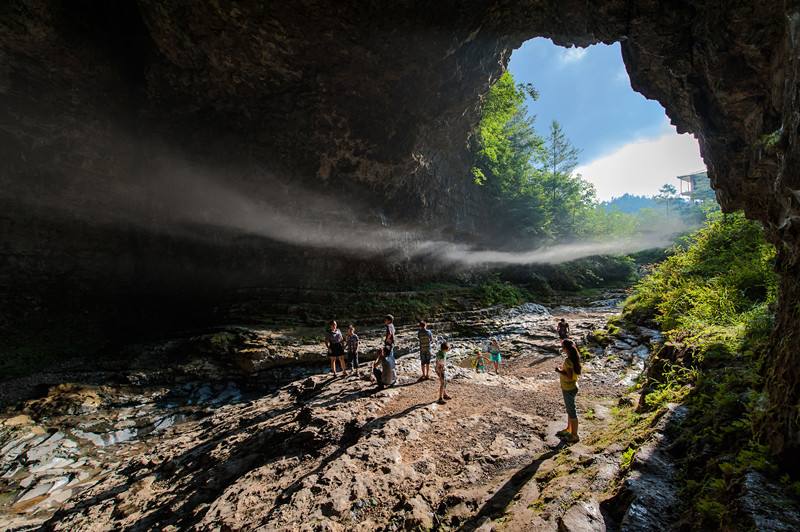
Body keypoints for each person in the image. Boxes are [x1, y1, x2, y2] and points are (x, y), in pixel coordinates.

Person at [555, 338, 582, 443]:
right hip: (572, 386)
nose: (562, 349)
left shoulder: (568, 360)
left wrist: (559, 371)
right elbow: (571, 373)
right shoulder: (574, 358)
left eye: (563, 347)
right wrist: (563, 369)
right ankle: (569, 429)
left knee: (572, 411)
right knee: (569, 410)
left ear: (566, 349)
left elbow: (569, 376)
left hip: (568, 388)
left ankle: (574, 435)